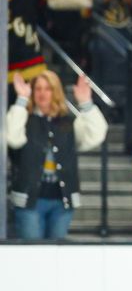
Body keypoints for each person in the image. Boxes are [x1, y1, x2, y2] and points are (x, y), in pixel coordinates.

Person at [5, 70, 107, 239]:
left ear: (56, 92)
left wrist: (86, 103)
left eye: (47, 88)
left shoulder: (68, 121)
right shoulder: (25, 119)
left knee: (57, 253)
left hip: (62, 200)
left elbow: (95, 136)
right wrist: (21, 100)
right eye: (38, 89)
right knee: (33, 254)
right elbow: (12, 138)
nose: (42, 93)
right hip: (29, 200)